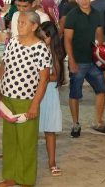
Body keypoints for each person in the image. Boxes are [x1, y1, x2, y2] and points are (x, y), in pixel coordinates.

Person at [0, 10, 51, 187]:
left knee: (26, 141)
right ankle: (10, 176)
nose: (19, 26)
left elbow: (44, 79)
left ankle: (26, 179)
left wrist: (34, 105)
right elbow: (4, 66)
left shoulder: (40, 48)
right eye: (19, 22)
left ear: (34, 26)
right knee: (10, 140)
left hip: (26, 100)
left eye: (23, 23)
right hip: (7, 98)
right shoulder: (13, 42)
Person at [63, 0, 105, 136]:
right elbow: (67, 39)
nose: (84, 1)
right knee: (75, 94)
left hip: (93, 60)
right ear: (77, 0)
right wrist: (71, 60)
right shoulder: (72, 15)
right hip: (78, 60)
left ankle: (98, 122)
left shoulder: (97, 14)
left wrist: (101, 54)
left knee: (101, 90)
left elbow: (99, 34)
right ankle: (75, 124)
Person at [38, 21, 65, 177]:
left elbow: (56, 76)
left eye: (45, 37)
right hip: (36, 91)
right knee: (31, 128)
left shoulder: (54, 53)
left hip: (49, 93)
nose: (42, 40)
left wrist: (43, 78)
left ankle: (52, 162)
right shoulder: (36, 49)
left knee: (49, 129)